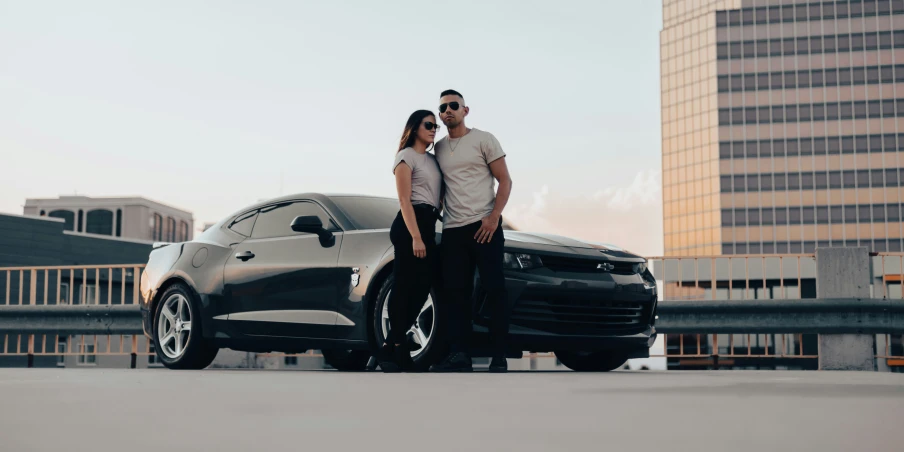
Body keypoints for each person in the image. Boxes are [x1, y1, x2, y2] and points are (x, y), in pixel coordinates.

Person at [429, 89, 513, 373]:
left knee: (494, 289)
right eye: (443, 108)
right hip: (453, 230)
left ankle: (499, 356)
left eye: (454, 105)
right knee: (456, 294)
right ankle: (459, 356)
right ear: (441, 115)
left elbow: (505, 181)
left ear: (466, 110)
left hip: (484, 226)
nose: (448, 110)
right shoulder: (438, 148)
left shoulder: (484, 139)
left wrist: (493, 219)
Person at [378, 109, 444, 372]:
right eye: (428, 124)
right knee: (404, 286)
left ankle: (392, 344)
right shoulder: (405, 157)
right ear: (415, 127)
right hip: (409, 225)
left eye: (435, 126)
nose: (433, 129)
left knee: (422, 286)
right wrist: (416, 236)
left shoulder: (432, 159)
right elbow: (404, 200)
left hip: (428, 222)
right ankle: (394, 348)